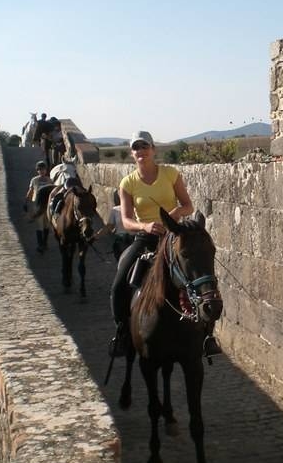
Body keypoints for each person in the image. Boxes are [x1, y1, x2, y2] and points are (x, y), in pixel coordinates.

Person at [109, 131, 222, 358]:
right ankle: (122, 332)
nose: (140, 151)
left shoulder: (170, 174)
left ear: (153, 149)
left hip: (175, 237)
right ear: (132, 153)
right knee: (119, 285)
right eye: (136, 148)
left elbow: (188, 205)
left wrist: (173, 216)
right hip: (146, 239)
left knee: (203, 277)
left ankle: (208, 336)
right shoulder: (127, 183)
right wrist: (146, 226)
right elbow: (126, 220)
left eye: (144, 146)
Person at [94, 190, 135, 261]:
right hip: (129, 242)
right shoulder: (117, 210)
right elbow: (109, 227)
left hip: (127, 242)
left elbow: (109, 227)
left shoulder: (116, 210)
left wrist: (96, 236)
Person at [24, 161, 53, 253]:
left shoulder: (50, 180)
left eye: (43, 169)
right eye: (40, 170)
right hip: (37, 205)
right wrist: (26, 201)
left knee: (46, 224)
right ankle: (40, 244)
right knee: (39, 225)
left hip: (47, 205)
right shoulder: (34, 180)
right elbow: (30, 191)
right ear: (37, 171)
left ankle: (45, 242)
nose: (42, 171)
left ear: (46, 170)